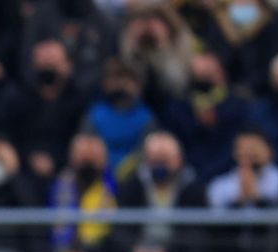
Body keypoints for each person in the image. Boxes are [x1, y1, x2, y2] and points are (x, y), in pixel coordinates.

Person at [0, 39, 87, 184]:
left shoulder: (77, 99)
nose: (48, 71)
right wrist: (29, 158)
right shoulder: (16, 97)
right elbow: (7, 135)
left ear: (67, 66)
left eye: (53, 65)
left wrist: (57, 161)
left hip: (66, 167)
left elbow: (77, 136)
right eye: (43, 66)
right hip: (21, 167)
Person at [31, 133, 115, 252]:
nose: (87, 162)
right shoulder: (56, 186)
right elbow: (41, 228)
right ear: (72, 157)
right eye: (83, 157)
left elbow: (118, 231)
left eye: (92, 157)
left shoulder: (114, 188)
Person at [162, 51, 247, 182]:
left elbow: (238, 145)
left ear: (222, 72)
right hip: (190, 172)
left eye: (211, 73)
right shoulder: (180, 107)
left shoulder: (237, 105)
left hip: (229, 171)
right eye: (200, 77)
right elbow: (178, 142)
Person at [84, 59, 156, 178]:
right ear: (105, 83)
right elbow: (86, 144)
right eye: (115, 79)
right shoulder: (95, 114)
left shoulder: (145, 117)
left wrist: (126, 168)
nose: (120, 84)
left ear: (137, 85)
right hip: (98, 174)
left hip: (135, 177)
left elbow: (145, 151)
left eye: (126, 79)